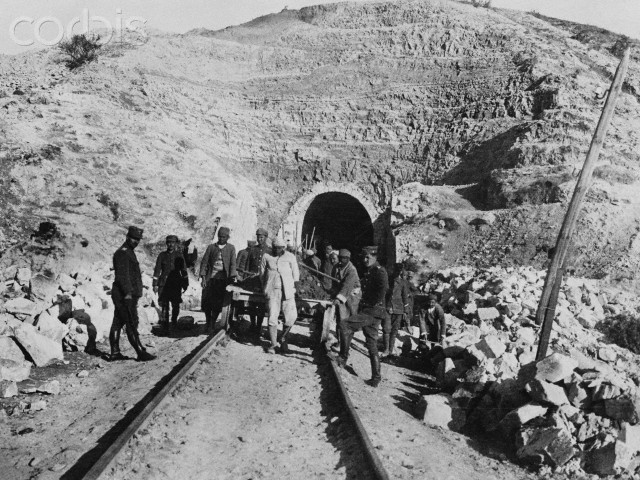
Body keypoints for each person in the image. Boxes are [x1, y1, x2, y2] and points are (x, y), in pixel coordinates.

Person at [337, 246, 388, 387]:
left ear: (375, 257)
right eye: (364, 257)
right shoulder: (371, 271)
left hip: (371, 311)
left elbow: (383, 290)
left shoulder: (380, 272)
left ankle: (342, 358)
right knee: (371, 344)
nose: (365, 260)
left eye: (368, 257)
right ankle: (376, 378)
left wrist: (370, 304)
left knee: (345, 325)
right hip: (372, 312)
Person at [109, 226, 155, 362]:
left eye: (138, 240)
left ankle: (115, 353)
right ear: (127, 237)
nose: (136, 242)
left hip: (123, 294)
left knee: (118, 322)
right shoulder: (123, 253)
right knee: (131, 322)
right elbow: (123, 276)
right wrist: (128, 294)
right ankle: (140, 352)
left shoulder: (128, 251)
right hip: (125, 295)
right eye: (134, 239)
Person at [261, 237, 300, 354]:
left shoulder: (290, 257)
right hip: (273, 291)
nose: (277, 250)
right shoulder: (266, 256)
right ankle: (273, 344)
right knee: (272, 316)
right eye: (275, 248)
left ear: (284, 248)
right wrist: (266, 287)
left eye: (280, 248)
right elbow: (262, 273)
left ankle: (283, 339)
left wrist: (294, 288)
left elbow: (296, 273)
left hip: (287, 291)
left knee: (292, 316)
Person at [199, 226, 237, 331]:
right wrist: (203, 278)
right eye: (220, 237)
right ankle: (207, 321)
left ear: (228, 237)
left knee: (217, 302)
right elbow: (204, 262)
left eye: (224, 237)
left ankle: (212, 322)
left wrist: (232, 278)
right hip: (210, 278)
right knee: (207, 301)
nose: (221, 239)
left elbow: (233, 264)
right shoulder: (211, 247)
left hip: (223, 280)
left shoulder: (231, 248)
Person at [330, 249, 361, 350]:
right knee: (340, 319)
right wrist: (333, 293)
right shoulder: (336, 267)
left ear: (348, 259)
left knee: (348, 321)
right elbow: (334, 282)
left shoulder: (352, 270)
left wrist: (338, 298)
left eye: (344, 259)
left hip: (352, 296)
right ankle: (340, 342)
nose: (341, 260)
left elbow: (347, 286)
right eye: (340, 258)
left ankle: (346, 345)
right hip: (342, 293)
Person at [153, 235, 185, 330]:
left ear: (176, 244)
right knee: (164, 305)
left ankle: (174, 322)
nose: (171, 244)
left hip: (175, 283)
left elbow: (184, 270)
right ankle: (165, 324)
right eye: (169, 242)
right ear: (166, 244)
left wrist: (185, 283)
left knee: (175, 305)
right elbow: (157, 270)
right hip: (164, 283)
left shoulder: (179, 255)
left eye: (173, 242)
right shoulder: (162, 255)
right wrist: (155, 284)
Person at [382, 263, 412, 357]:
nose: (397, 272)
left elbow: (404, 296)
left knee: (394, 331)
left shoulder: (403, 282)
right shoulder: (388, 279)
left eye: (399, 271)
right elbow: (383, 293)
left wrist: (406, 310)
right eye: (396, 270)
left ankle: (390, 351)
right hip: (388, 307)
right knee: (386, 329)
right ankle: (386, 349)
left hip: (398, 309)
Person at [246, 228, 270, 338]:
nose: (259, 239)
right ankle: (252, 324)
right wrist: (247, 277)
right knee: (251, 303)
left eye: (261, 237)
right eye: (258, 237)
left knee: (261, 305)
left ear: (265, 238)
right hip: (253, 281)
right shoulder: (252, 250)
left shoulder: (269, 251)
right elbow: (248, 265)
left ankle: (259, 326)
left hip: (263, 282)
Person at [159, 257, 189, 325]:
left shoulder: (182, 273)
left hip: (176, 292)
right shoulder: (174, 272)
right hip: (171, 291)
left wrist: (184, 287)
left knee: (175, 307)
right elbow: (168, 283)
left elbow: (186, 283)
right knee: (170, 307)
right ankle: (167, 321)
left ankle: (173, 320)